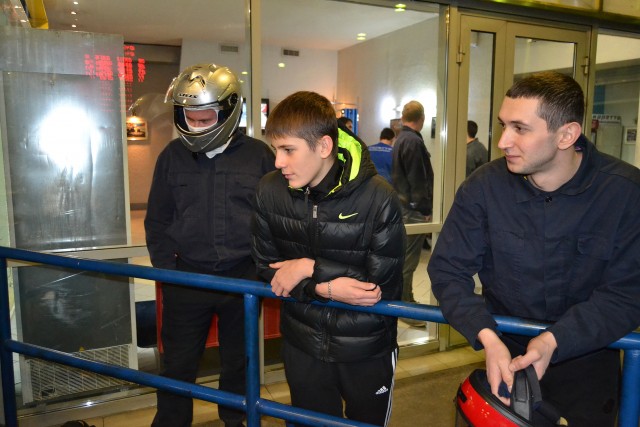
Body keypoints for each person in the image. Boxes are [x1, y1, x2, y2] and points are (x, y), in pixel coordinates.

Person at [428, 71, 640, 427]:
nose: (503, 141)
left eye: (520, 129)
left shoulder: (626, 194)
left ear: (566, 135)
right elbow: (448, 270)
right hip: (506, 360)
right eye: (503, 125)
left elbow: (627, 294)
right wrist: (486, 336)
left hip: (588, 363)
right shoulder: (483, 187)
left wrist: (554, 340)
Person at [251, 91, 405, 426]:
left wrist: (308, 268)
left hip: (366, 348)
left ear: (323, 146)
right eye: (276, 149)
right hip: (302, 344)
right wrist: (323, 288)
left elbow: (380, 288)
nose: (278, 162)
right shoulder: (269, 190)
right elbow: (266, 267)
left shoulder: (379, 197)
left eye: (288, 150)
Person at [145, 63, 275, 427]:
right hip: (188, 278)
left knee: (239, 363)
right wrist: (169, 272)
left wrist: (262, 271)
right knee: (177, 365)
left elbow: (274, 219)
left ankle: (236, 421)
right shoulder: (172, 157)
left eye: (205, 119)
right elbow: (157, 221)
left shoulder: (260, 156)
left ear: (229, 111)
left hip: (243, 279)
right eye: (190, 119)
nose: (197, 127)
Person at [391, 100, 434, 315]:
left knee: (405, 256)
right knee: (409, 259)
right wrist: (425, 208)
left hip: (403, 206)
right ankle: (405, 305)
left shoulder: (400, 138)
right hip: (413, 209)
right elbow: (417, 178)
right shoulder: (413, 141)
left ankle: (404, 299)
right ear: (422, 119)